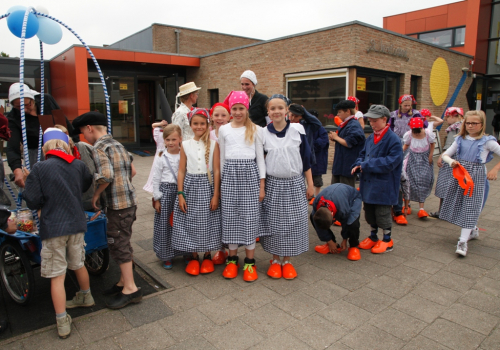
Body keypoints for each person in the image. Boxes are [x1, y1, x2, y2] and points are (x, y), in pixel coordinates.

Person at [23, 128, 93, 339]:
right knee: (79, 263)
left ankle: (62, 321)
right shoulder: (78, 165)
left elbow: (32, 200)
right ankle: (86, 296)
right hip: (77, 223)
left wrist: (29, 182)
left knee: (57, 275)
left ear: (45, 147)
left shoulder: (39, 168)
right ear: (65, 144)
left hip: (53, 227)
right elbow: (86, 182)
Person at [72, 111, 142, 309]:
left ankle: (131, 289)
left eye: (83, 132)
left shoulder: (99, 147)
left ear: (89, 128)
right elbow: (133, 171)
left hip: (117, 207)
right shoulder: (117, 144)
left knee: (117, 244)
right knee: (124, 241)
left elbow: (106, 175)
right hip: (129, 202)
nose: (84, 137)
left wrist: (95, 195)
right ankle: (123, 281)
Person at [260, 94, 314, 280]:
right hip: (273, 183)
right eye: (272, 108)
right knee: (274, 222)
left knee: (294, 222)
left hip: (295, 183)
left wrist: (310, 184)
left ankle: (287, 261)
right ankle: (275, 260)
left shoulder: (298, 130)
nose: (276, 111)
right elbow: (261, 162)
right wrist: (262, 186)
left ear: (287, 111)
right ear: (268, 112)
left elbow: (306, 159)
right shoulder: (263, 133)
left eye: (280, 108)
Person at [218, 91, 265, 282]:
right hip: (229, 176)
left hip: (250, 177)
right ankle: (231, 259)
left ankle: (250, 262)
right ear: (230, 110)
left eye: (241, 109)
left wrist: (262, 186)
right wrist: (220, 185)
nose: (238, 112)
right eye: (234, 109)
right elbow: (221, 158)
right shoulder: (224, 130)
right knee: (230, 216)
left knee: (249, 217)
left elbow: (261, 159)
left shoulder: (256, 129)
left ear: (247, 109)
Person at [440, 110, 500, 256]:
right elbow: (445, 154)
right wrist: (451, 161)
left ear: (481, 124)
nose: (471, 126)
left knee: (471, 208)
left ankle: (462, 241)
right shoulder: (460, 139)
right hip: (461, 177)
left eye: (475, 123)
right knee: (461, 206)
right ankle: (472, 230)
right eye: (468, 123)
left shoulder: (488, 141)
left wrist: (495, 169)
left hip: (476, 179)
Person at [172, 108, 221, 276]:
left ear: (208, 124)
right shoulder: (185, 144)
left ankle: (207, 255)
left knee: (207, 220)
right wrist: (180, 193)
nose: (199, 126)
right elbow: (181, 171)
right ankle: (193, 256)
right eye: (195, 123)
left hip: (207, 187)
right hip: (190, 187)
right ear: (190, 124)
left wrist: (216, 195)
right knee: (190, 221)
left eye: (202, 123)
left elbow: (216, 170)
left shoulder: (214, 144)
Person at [352, 105, 403, 254]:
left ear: (384, 119)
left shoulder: (393, 139)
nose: (371, 123)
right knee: (369, 212)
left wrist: (365, 165)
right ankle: (373, 236)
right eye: (370, 120)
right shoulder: (371, 137)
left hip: (384, 184)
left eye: (374, 120)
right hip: (368, 183)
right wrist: (357, 164)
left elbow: (391, 162)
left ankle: (387, 240)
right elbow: (362, 154)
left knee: (382, 213)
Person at [6, 82, 78, 188]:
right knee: (41, 185)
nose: (24, 109)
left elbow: (63, 121)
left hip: (61, 146)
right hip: (36, 153)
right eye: (19, 107)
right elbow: (12, 147)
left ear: (32, 99)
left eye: (27, 105)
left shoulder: (46, 100)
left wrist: (75, 142)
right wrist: (17, 170)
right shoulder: (13, 118)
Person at [388, 94, 426, 224]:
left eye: (409, 105)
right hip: (396, 140)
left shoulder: (415, 114)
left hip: (410, 142)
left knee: (404, 172)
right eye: (405, 105)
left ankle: (405, 204)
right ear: (400, 104)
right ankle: (396, 206)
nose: (407, 107)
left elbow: (423, 124)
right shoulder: (394, 114)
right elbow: (390, 127)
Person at [152, 124, 185, 269]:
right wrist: (157, 198)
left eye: (173, 139)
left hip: (181, 193)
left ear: (180, 139)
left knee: (181, 224)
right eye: (167, 139)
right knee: (165, 225)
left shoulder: (184, 154)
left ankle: (186, 252)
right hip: (165, 193)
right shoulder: (161, 157)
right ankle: (166, 255)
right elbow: (156, 178)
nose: (170, 142)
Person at [207, 102, 232, 265]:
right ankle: (220, 249)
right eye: (217, 115)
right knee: (216, 216)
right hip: (211, 179)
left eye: (223, 115)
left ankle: (232, 247)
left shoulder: (232, 133)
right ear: (211, 117)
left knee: (229, 216)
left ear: (229, 117)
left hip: (229, 178)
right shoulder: (207, 135)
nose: (220, 118)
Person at [312, 184, 362, 260]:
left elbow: (345, 223)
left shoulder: (342, 209)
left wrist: (344, 239)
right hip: (335, 195)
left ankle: (353, 246)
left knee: (352, 222)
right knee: (314, 219)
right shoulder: (316, 203)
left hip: (353, 197)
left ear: (333, 215)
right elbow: (317, 223)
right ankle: (332, 243)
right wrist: (329, 241)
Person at [54, 124, 96, 212]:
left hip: (91, 199)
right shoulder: (55, 157)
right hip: (71, 203)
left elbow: (92, 173)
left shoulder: (82, 147)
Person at [431, 107, 464, 218]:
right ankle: (451, 212)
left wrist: (441, 156)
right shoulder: (463, 126)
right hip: (459, 160)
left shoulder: (455, 128)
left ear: (454, 116)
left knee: (445, 186)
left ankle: (443, 213)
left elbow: (450, 145)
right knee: (454, 187)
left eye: (447, 117)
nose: (446, 119)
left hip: (450, 161)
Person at [402, 117, 435, 218]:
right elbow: (406, 145)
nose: (416, 133)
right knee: (409, 181)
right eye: (414, 130)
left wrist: (430, 155)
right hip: (412, 159)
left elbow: (432, 144)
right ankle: (407, 205)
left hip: (424, 159)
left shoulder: (428, 134)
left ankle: (421, 208)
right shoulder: (409, 135)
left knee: (424, 181)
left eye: (418, 130)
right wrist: (399, 154)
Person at [329, 100, 366, 187]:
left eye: (340, 112)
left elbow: (349, 143)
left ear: (348, 111)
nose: (338, 114)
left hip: (347, 166)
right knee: (335, 191)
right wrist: (335, 139)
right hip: (340, 165)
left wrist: (336, 137)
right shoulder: (346, 124)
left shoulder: (354, 125)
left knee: (345, 192)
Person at [308, 109, 330, 196]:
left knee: (317, 179)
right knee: (309, 178)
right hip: (309, 158)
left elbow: (323, 141)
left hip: (318, 158)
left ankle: (317, 196)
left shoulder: (320, 128)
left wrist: (311, 147)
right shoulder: (307, 127)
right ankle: (310, 194)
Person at [143, 119, 169, 193]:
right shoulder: (158, 131)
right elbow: (153, 125)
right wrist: (161, 123)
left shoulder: (160, 132)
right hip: (160, 154)